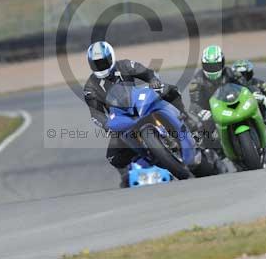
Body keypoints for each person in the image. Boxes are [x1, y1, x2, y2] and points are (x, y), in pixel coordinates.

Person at [83, 41, 194, 187]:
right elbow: (95, 113)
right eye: (96, 64)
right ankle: (127, 174)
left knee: (170, 90)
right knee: (113, 158)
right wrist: (106, 124)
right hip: (120, 118)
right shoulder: (90, 87)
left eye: (103, 62)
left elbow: (148, 73)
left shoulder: (125, 65)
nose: (101, 66)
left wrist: (154, 81)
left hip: (138, 103)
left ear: (111, 58)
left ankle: (186, 116)